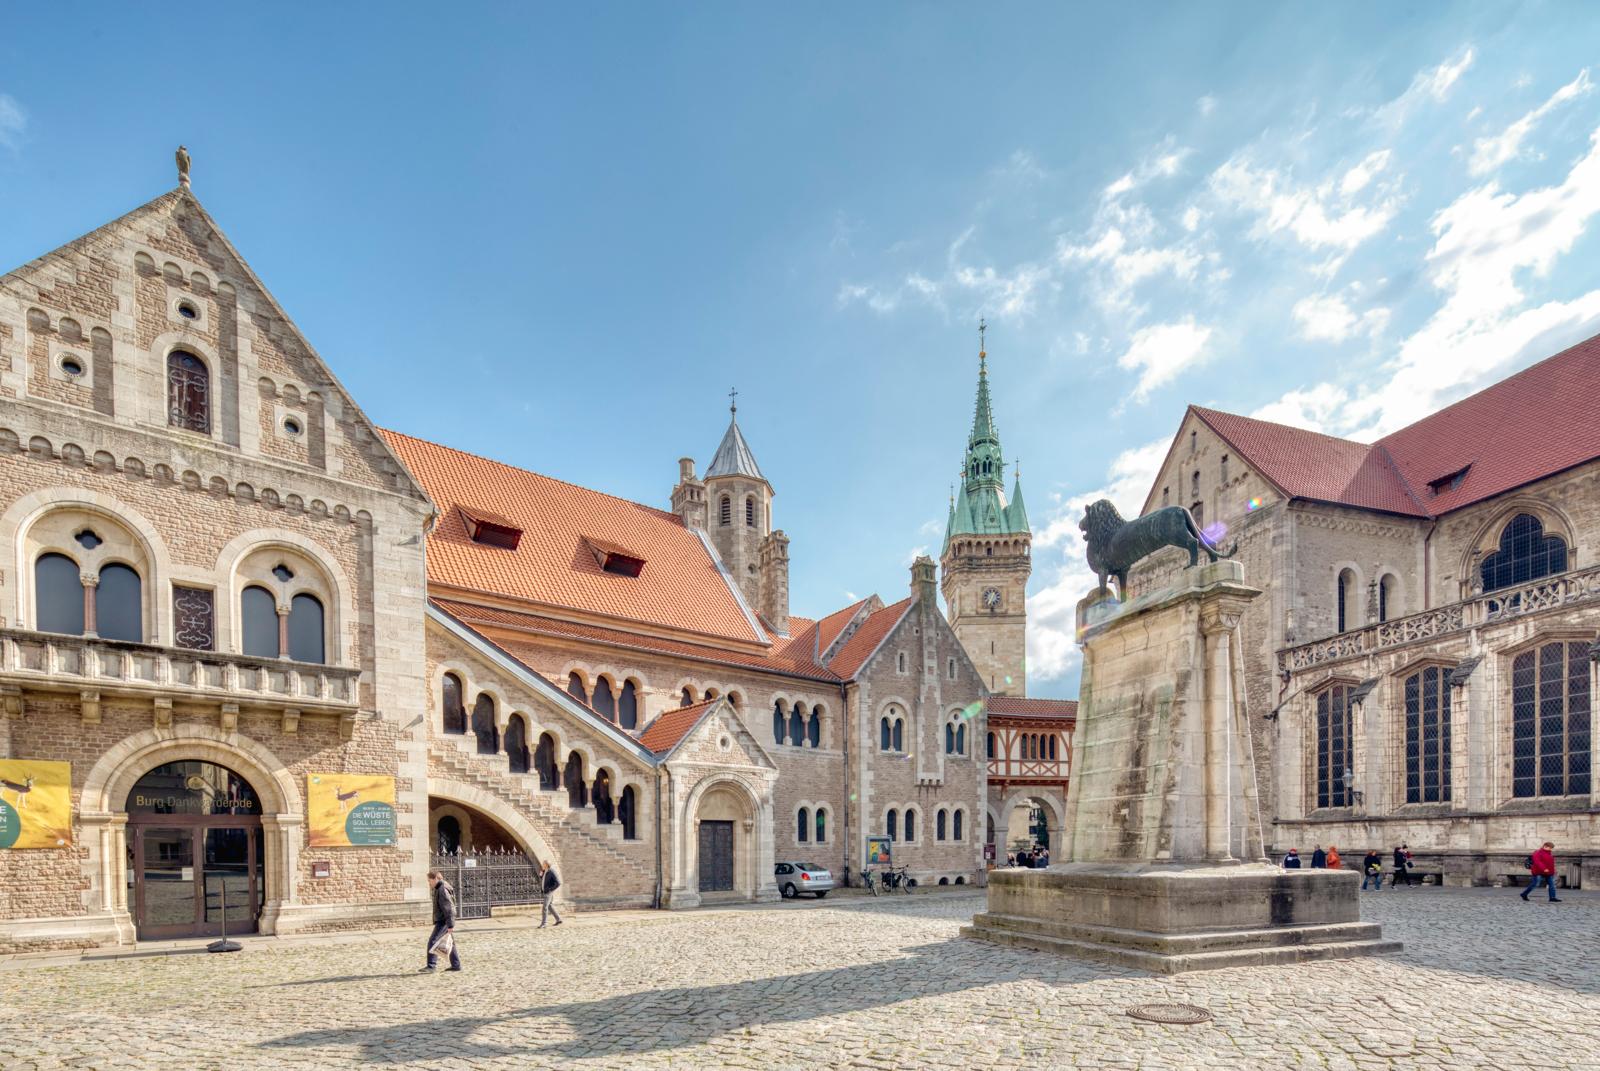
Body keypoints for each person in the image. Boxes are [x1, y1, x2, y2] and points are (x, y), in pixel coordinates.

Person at [421, 869, 461, 973]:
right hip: (445, 920)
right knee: (450, 943)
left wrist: (450, 924)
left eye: (429, 880)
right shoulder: (440, 887)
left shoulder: (442, 889)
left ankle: (431, 966)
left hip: (443, 921)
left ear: (435, 879)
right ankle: (456, 965)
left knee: (433, 941)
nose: (429, 883)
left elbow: (449, 907)